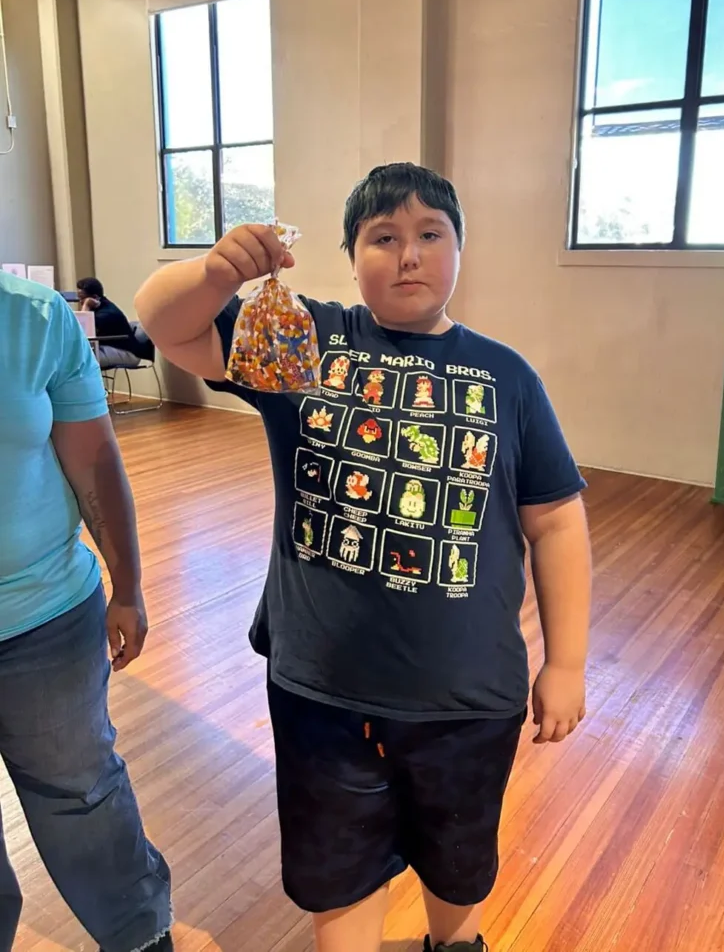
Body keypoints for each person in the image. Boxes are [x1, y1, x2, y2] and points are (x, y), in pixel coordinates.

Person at [135, 164, 592, 952]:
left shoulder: (508, 377)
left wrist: (569, 663)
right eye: (383, 237)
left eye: (429, 235)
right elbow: (166, 328)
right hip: (322, 695)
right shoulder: (302, 342)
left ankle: (456, 944)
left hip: (468, 699)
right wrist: (213, 273)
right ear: (351, 257)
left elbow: (555, 521)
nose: (408, 254)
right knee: (335, 864)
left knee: (459, 860)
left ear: (459, 251)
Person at [0, 270, 172, 952]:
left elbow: (96, 457)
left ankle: (137, 935)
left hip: (46, 616)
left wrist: (126, 584)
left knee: (82, 795)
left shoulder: (34, 317)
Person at [76, 277, 140, 370]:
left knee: (82, 359)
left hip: (129, 354)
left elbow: (83, 332)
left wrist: (86, 306)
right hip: (112, 347)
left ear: (94, 298)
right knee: (76, 356)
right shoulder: (100, 308)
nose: (80, 302)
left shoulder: (107, 313)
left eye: (82, 299)